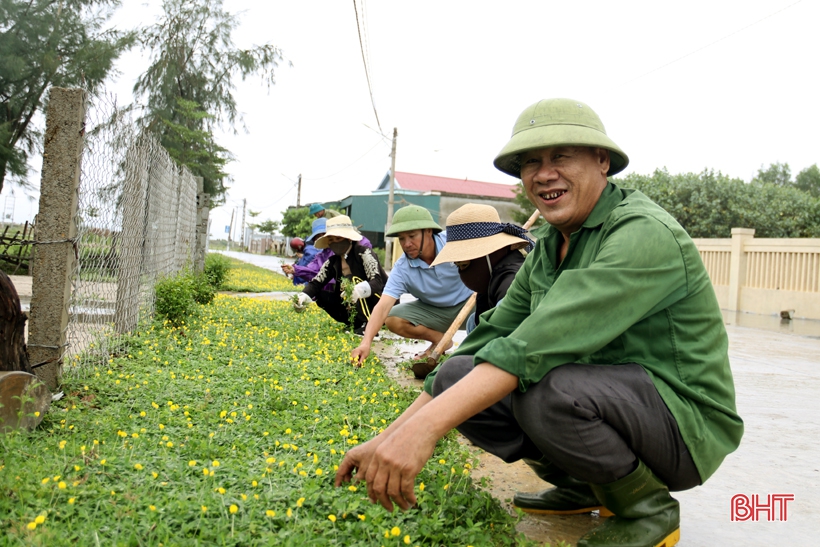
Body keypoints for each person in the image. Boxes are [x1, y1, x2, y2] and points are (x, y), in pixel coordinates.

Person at [335, 99, 743, 547]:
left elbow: (528, 351)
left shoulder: (641, 234)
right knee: (456, 372)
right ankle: (583, 485)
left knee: (545, 391)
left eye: (561, 157)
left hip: (683, 423)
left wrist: (425, 432)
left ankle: (649, 510)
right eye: (531, 162)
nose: (544, 173)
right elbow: (487, 339)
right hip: (606, 401)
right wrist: (389, 437)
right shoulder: (550, 244)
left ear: (602, 161)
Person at [350, 205, 474, 366]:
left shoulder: (453, 242)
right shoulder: (402, 268)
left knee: (496, 306)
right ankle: (441, 341)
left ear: (429, 231)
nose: (407, 244)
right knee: (392, 318)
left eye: (412, 236)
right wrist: (365, 343)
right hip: (436, 313)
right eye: (401, 238)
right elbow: (382, 307)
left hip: (471, 305)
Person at [430, 203, 532, 335]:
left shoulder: (511, 286)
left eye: (465, 265)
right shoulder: (493, 278)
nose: (463, 273)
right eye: (458, 266)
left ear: (488, 255)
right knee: (473, 321)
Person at [294, 215, 387, 333]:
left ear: (348, 238)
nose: (335, 243)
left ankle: (368, 324)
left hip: (380, 302)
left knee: (352, 281)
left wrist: (359, 289)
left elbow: (377, 282)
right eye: (331, 240)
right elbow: (317, 282)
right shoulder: (333, 261)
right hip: (356, 302)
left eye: (338, 239)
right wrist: (303, 296)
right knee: (322, 295)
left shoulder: (364, 253)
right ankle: (354, 322)